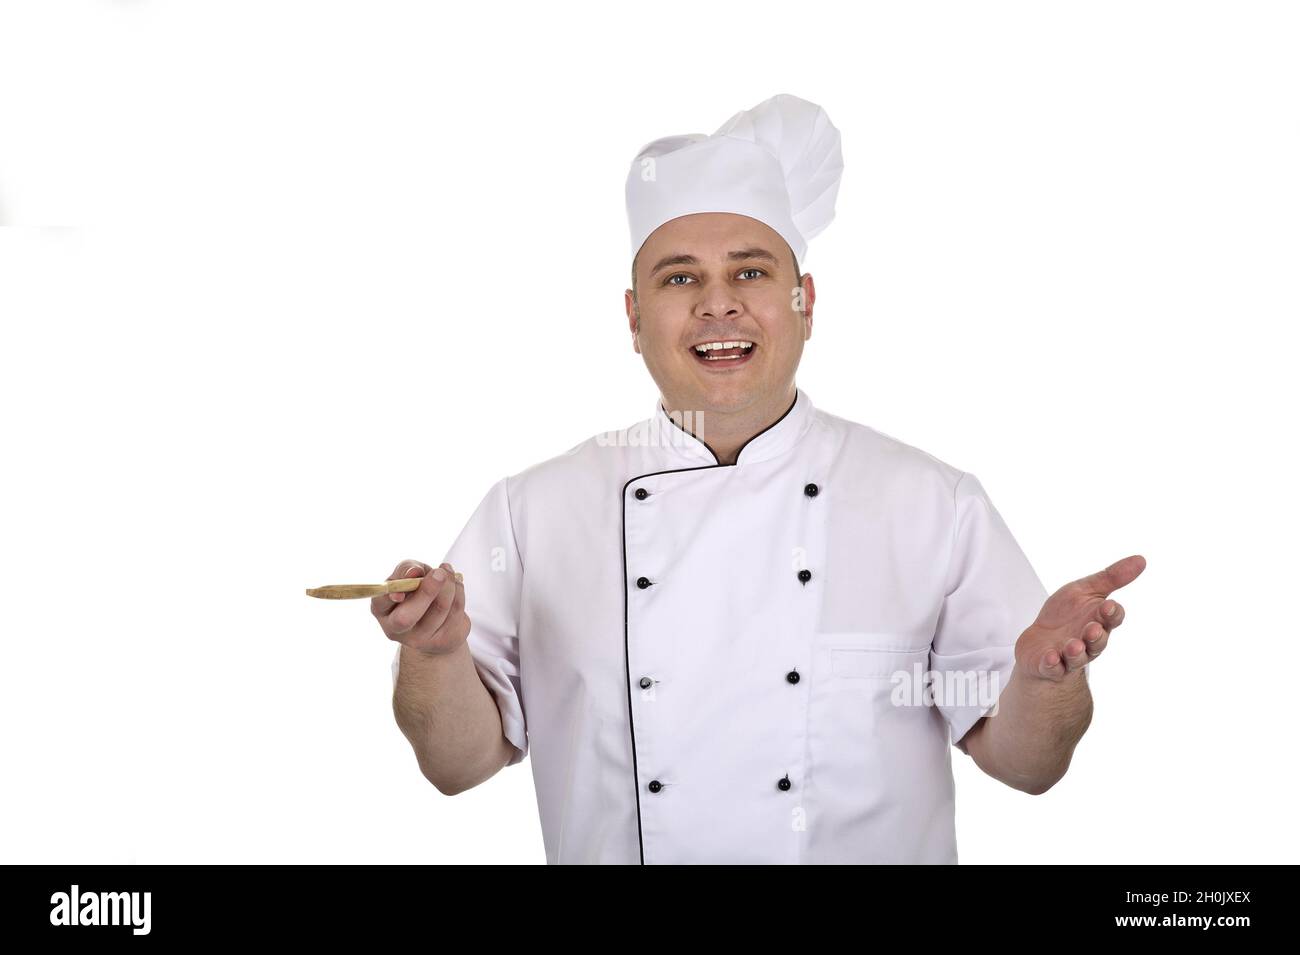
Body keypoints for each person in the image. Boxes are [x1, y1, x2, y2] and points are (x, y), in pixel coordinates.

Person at [379, 93, 1146, 864]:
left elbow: (1028, 764)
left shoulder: (930, 502)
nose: (719, 304)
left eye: (751, 270)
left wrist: (1047, 683)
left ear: (805, 302)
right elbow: (457, 766)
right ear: (633, 318)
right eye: (679, 280)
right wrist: (435, 657)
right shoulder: (532, 512)